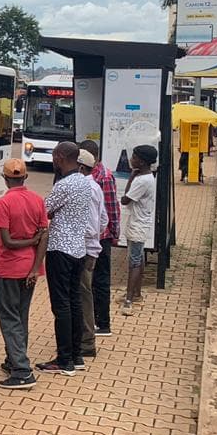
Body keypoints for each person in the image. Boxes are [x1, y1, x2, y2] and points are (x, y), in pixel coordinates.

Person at [36, 141, 94, 376]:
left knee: (60, 305)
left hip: (60, 249)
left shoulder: (64, 185)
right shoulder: (83, 181)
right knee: (74, 302)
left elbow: (44, 211)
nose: (52, 160)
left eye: (53, 156)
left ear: (60, 157)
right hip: (78, 249)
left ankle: (64, 359)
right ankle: (76, 355)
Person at [0, 158, 48, 390]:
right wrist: (35, 268)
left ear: (5, 179)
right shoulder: (37, 200)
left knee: (8, 317)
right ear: (25, 177)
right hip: (30, 269)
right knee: (21, 315)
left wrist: (27, 241)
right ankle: (12, 360)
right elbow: (44, 236)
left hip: (9, 269)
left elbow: (7, 241)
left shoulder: (3, 204)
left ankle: (22, 371)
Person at [80, 140, 119, 337]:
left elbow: (112, 208)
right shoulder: (85, 176)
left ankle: (103, 323)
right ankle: (91, 319)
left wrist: (113, 233)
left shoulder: (104, 177)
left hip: (101, 236)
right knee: (88, 281)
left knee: (101, 280)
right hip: (90, 237)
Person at [77, 150, 109, 360]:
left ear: (80, 167)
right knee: (83, 293)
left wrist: (84, 239)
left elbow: (90, 224)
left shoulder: (85, 187)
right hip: (93, 248)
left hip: (85, 249)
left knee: (83, 295)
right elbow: (103, 220)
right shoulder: (95, 187)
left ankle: (86, 341)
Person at [120, 145, 158, 316]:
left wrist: (130, 179)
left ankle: (129, 299)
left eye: (134, 157)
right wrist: (132, 176)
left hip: (137, 224)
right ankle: (136, 292)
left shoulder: (142, 181)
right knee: (138, 257)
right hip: (139, 222)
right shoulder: (144, 176)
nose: (131, 159)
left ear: (141, 162)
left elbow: (125, 199)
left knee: (134, 260)